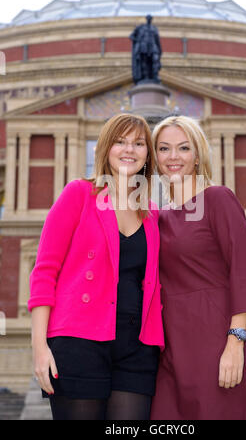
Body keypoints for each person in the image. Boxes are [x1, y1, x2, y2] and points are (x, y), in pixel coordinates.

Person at [28, 113, 164, 420]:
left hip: (137, 346)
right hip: (78, 340)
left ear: (147, 155)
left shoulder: (152, 214)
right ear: (105, 148)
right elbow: (44, 272)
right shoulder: (79, 193)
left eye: (139, 143)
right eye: (120, 141)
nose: (129, 149)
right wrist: (39, 347)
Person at [150, 116, 246, 420]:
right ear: (155, 157)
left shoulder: (218, 199)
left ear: (197, 155)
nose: (173, 157)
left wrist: (235, 343)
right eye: (164, 148)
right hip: (168, 350)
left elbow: (241, 273)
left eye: (183, 148)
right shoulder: (157, 217)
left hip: (215, 343)